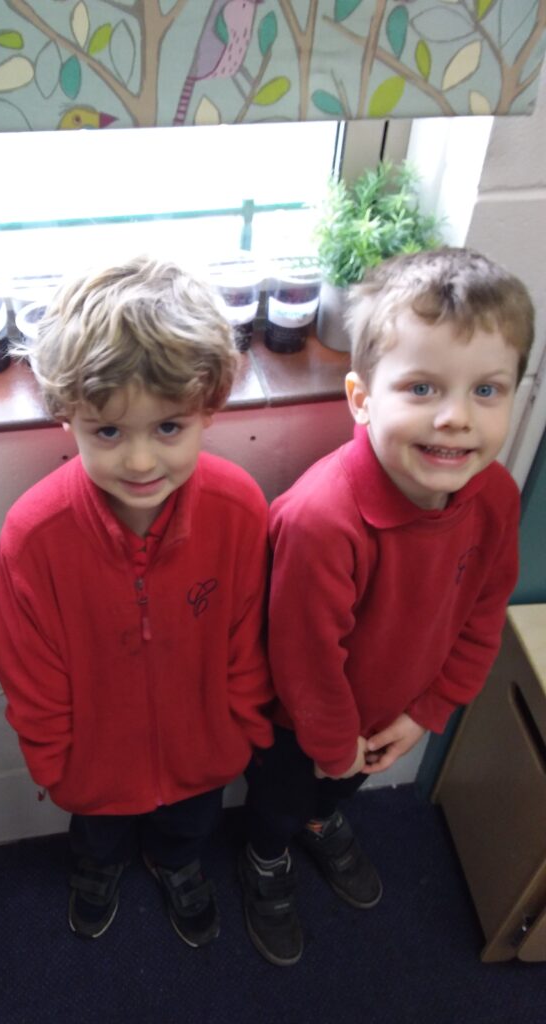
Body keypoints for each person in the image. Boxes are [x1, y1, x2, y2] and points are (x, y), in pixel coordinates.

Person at [239, 247, 535, 966]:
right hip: (301, 723)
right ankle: (266, 857)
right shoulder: (324, 521)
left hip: (390, 714)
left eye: (487, 391)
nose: (457, 419)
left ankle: (320, 820)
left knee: (336, 792)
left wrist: (427, 711)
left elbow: (482, 612)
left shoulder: (493, 496)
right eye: (424, 387)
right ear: (362, 397)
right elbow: (306, 663)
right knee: (280, 800)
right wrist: (334, 749)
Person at [0, 254, 274, 947]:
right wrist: (54, 763)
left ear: (209, 410)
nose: (141, 462)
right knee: (97, 834)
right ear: (68, 419)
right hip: (92, 765)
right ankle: (98, 866)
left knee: (190, 826)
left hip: (205, 749)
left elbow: (249, 634)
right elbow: (28, 670)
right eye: (109, 432)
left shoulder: (239, 508)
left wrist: (242, 729)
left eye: (168, 428)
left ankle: (176, 864)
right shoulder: (35, 537)